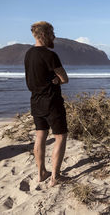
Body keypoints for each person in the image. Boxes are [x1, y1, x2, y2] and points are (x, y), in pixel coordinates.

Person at [24, 21, 69, 186]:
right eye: (52, 33)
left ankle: (41, 172)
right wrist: (57, 80)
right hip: (52, 101)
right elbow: (65, 79)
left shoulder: (28, 54)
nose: (54, 37)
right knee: (60, 136)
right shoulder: (50, 55)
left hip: (35, 101)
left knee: (40, 135)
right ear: (43, 35)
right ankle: (55, 177)